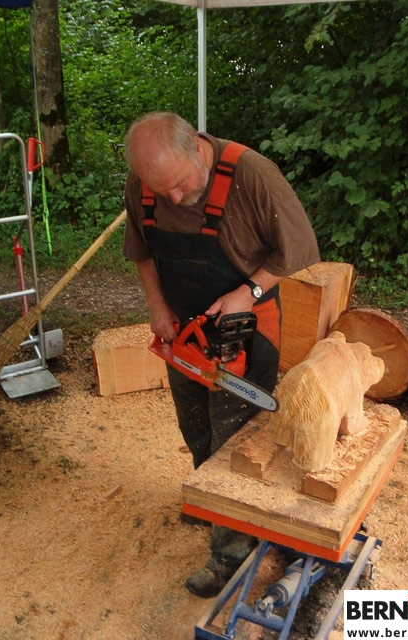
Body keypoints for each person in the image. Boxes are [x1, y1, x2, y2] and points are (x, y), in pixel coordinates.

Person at [122, 111, 320, 598]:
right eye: (161, 190)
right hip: (183, 326)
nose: (172, 197)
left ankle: (232, 552)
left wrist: (249, 292)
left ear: (196, 147)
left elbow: (298, 248)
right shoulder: (145, 181)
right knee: (195, 425)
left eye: (179, 184)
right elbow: (142, 250)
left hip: (245, 322)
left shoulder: (251, 175)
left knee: (234, 439)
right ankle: (213, 504)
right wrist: (157, 306)